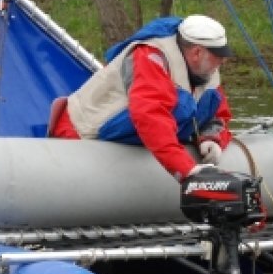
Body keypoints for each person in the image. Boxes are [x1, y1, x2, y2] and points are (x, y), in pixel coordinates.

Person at [49, 14, 234, 181]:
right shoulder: (151, 57)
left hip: (130, 140)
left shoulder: (208, 72)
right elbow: (150, 116)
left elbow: (218, 115)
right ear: (197, 53)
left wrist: (212, 138)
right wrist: (186, 169)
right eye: (218, 56)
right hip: (81, 135)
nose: (223, 62)